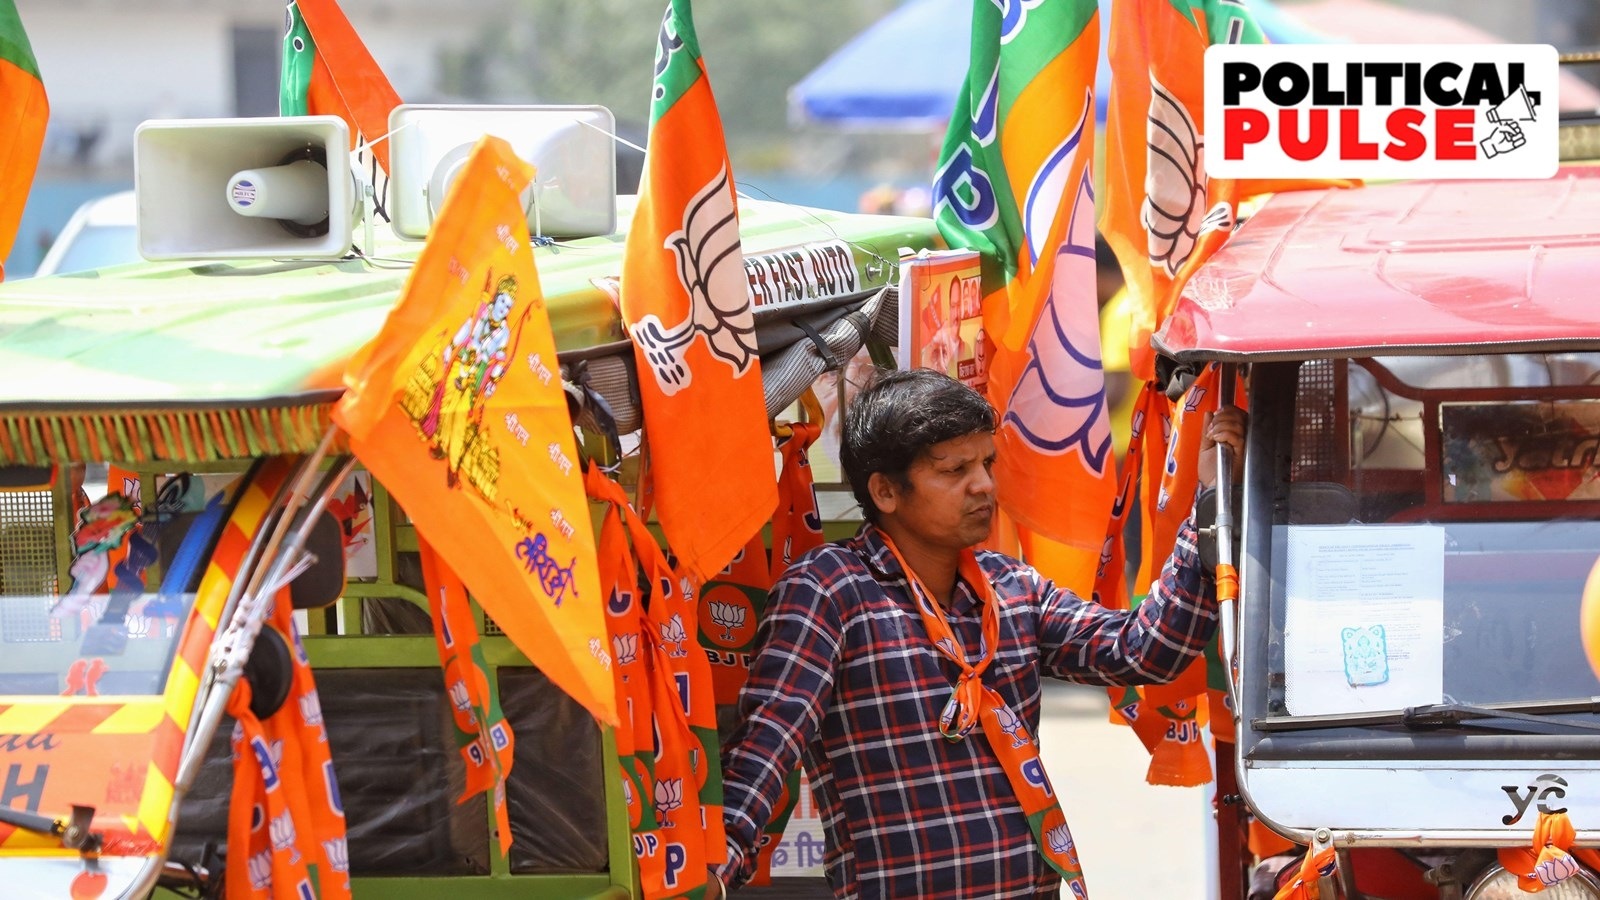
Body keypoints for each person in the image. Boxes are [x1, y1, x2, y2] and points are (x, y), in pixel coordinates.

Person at [715, 368, 1245, 899]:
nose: (985, 485)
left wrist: (1207, 506)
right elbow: (767, 747)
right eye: (955, 469)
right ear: (885, 492)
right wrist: (713, 872)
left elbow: (1143, 652)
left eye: (987, 463)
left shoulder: (1009, 586)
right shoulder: (829, 592)